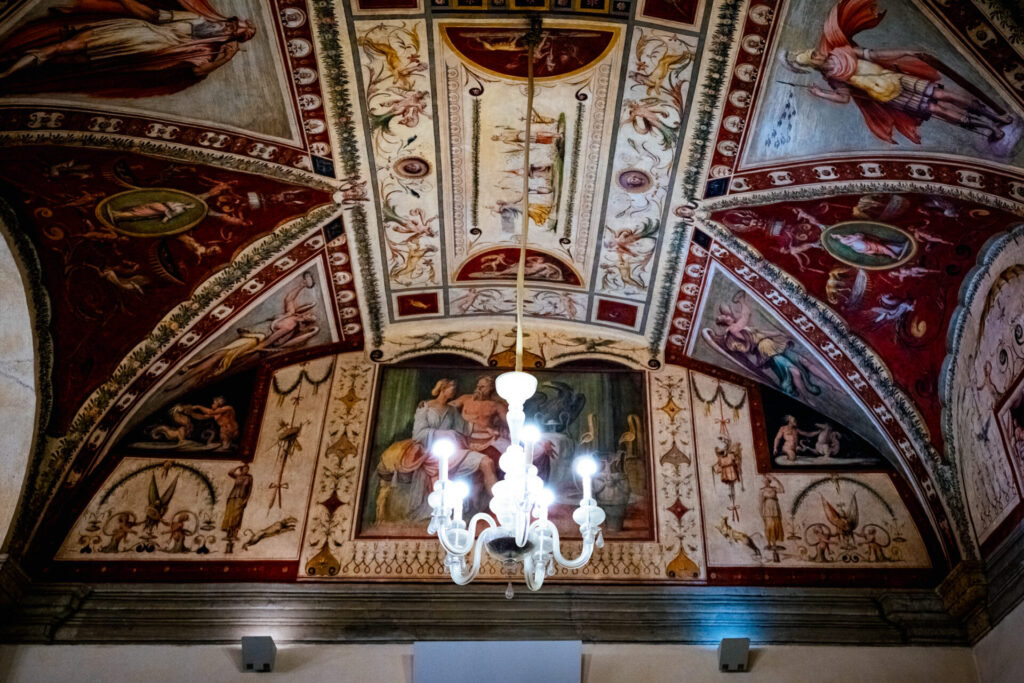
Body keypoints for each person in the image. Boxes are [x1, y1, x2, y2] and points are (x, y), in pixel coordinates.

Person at [782, 0, 1013, 144]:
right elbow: (843, 98)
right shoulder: (833, 78)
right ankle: (991, 127)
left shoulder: (842, 52)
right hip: (889, 95)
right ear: (814, 64)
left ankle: (996, 118)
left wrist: (905, 52)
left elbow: (875, 55)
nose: (819, 54)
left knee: (944, 95)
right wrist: (821, 93)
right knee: (938, 108)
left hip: (894, 79)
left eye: (815, 52)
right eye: (814, 56)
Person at [0, 0, 255, 97]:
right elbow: (152, 15)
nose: (230, 26)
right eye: (233, 23)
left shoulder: (208, 49)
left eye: (235, 30)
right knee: (63, 50)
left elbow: (197, 71)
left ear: (234, 37)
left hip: (140, 46)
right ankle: (8, 72)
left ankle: (11, 73)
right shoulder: (196, 20)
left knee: (65, 57)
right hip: (137, 34)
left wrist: (224, 60)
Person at [375, 379, 498, 524]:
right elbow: (418, 434)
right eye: (452, 387)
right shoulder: (425, 408)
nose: (454, 390)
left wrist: (489, 430)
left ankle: (499, 510)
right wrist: (446, 434)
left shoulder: (452, 411)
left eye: (455, 388)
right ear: (442, 389)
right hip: (430, 452)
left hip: (452, 452)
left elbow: (466, 428)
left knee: (487, 462)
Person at [221, 464, 252, 545]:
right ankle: (228, 533)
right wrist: (238, 466)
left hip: (241, 498)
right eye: (245, 469)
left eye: (247, 469)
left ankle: (234, 533)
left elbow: (249, 490)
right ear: (242, 470)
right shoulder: (238, 476)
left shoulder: (249, 478)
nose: (246, 470)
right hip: (232, 497)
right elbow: (230, 472)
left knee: (237, 516)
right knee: (229, 514)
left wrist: (246, 500)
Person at [759, 475, 785, 563]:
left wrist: (776, 479)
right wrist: (761, 513)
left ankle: (774, 544)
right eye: (764, 481)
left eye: (766, 481)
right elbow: (760, 503)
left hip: (775, 509)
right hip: (767, 511)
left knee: (776, 525)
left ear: (769, 481)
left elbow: (782, 490)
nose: (765, 482)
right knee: (769, 527)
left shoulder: (774, 489)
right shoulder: (762, 490)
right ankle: (770, 543)